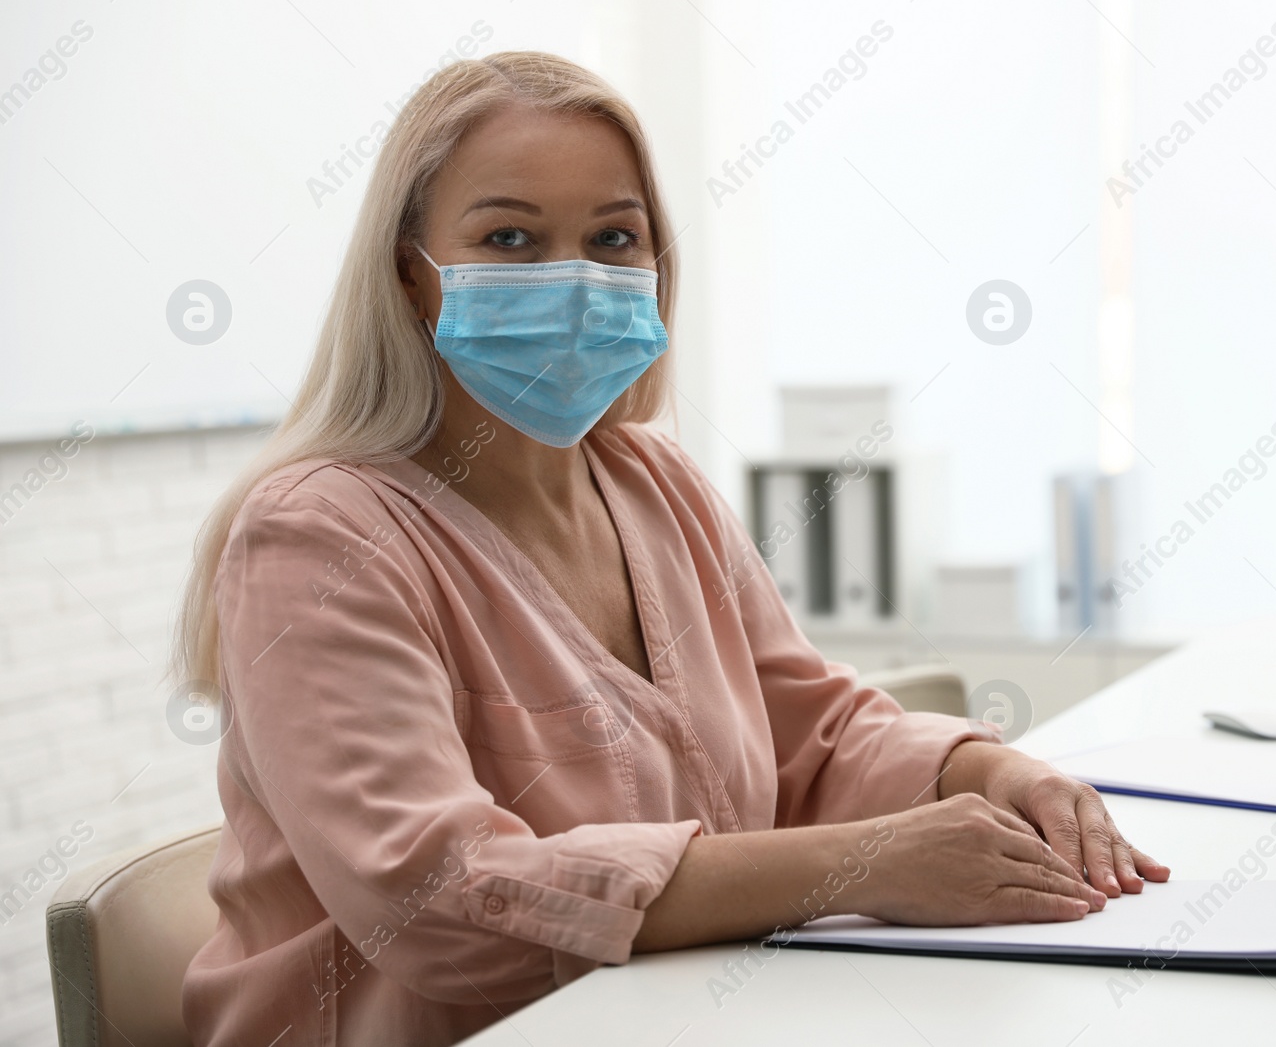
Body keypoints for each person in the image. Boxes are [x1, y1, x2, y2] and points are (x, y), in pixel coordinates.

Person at [176, 51, 1168, 1047]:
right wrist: (865, 863)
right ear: (411, 272)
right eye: (510, 238)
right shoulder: (315, 536)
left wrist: (985, 773)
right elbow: (436, 899)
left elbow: (813, 737)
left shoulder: (658, 484)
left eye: (613, 238)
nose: (572, 282)